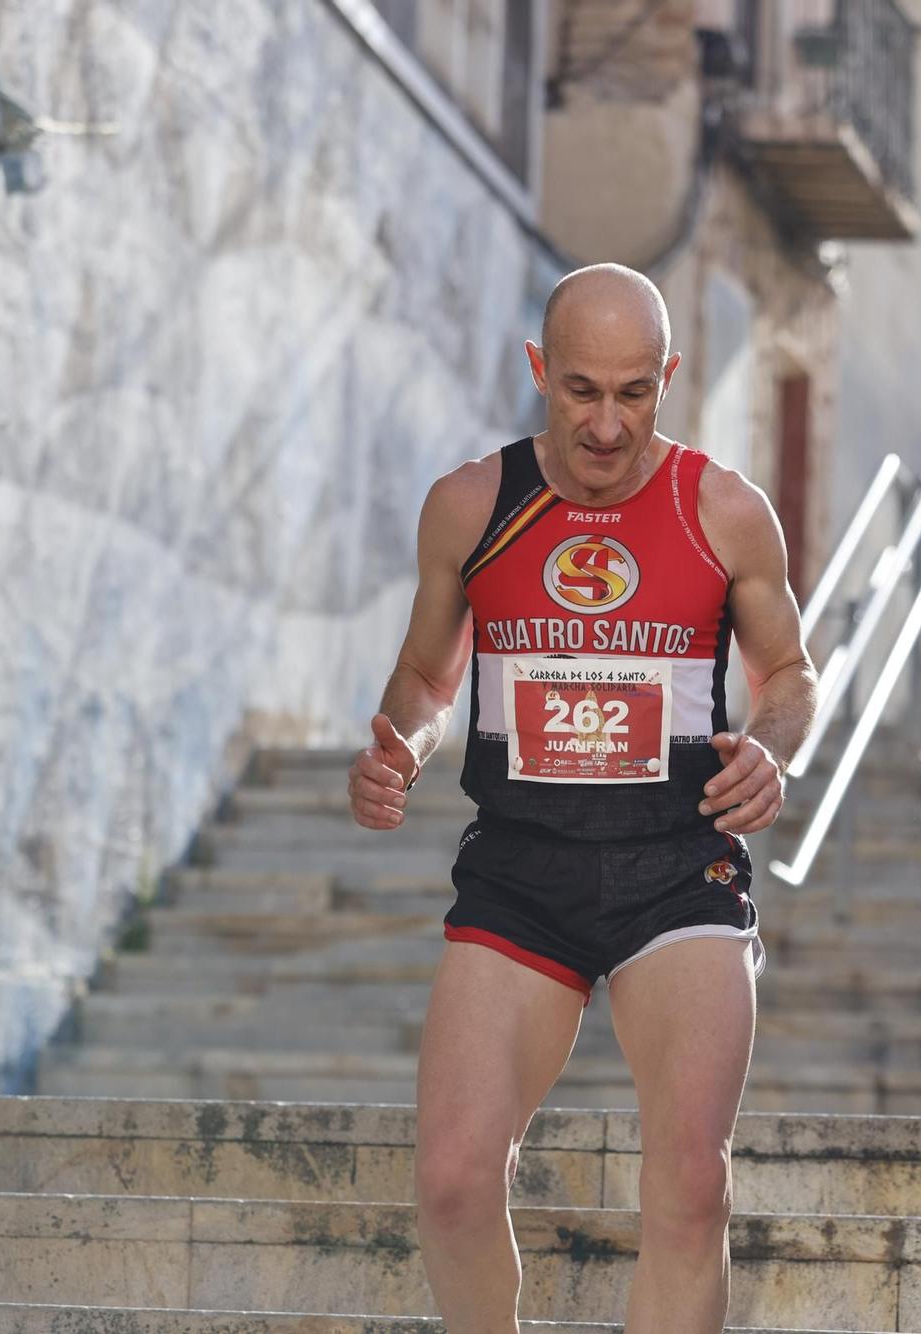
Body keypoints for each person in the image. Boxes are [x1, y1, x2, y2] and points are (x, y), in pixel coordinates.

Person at [346, 263, 818, 1332]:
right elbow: (425, 677)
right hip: (521, 866)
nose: (606, 425)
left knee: (692, 1183)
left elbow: (789, 673)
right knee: (456, 1178)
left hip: (676, 865)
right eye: (579, 391)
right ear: (536, 372)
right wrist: (401, 745)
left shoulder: (722, 509)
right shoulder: (472, 504)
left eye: (634, 392)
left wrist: (773, 749)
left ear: (669, 376)